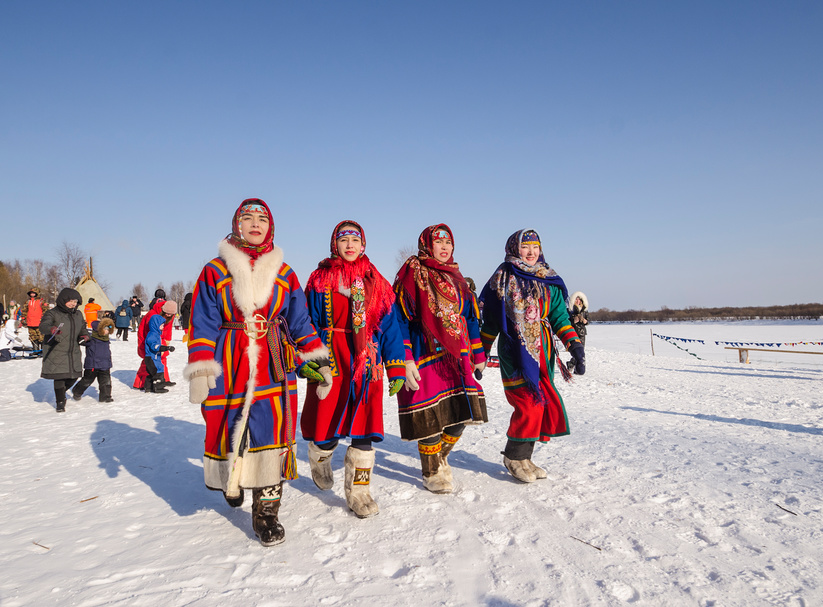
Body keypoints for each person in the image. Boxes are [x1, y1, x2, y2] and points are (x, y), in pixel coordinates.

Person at [184, 198, 330, 547]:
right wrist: (202, 367)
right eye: (247, 217)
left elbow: (300, 320)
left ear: (271, 227)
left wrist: (318, 359)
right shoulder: (215, 270)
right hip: (229, 357)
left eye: (261, 218)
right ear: (236, 224)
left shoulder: (285, 272)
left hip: (273, 360)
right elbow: (203, 320)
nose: (254, 223)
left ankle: (267, 513)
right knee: (227, 426)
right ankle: (230, 481)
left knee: (272, 432)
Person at [300, 220, 407, 518]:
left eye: (355, 240)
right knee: (326, 427)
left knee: (364, 433)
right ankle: (319, 455)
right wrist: (309, 360)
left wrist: (396, 367)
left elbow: (390, 328)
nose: (350, 245)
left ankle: (359, 492)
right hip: (331, 359)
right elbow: (306, 322)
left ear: (363, 245)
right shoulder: (320, 278)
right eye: (344, 239)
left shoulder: (377, 282)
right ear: (335, 243)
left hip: (366, 362)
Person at [479, 229, 585, 482]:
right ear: (515, 249)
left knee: (541, 403)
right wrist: (480, 354)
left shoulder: (548, 278)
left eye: (535, 247)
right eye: (525, 247)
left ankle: (525, 457)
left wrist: (576, 348)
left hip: (544, 352)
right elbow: (491, 322)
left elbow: (560, 318)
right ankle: (514, 457)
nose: (531, 252)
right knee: (528, 404)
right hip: (515, 352)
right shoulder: (502, 279)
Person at [392, 224, 487, 493]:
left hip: (458, 356)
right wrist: (405, 358)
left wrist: (478, 354)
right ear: (427, 245)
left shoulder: (458, 279)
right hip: (425, 353)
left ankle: (441, 455)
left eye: (448, 243)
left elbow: (469, 317)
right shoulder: (412, 275)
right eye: (438, 242)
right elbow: (401, 319)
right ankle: (431, 470)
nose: (444, 248)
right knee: (430, 414)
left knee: (461, 414)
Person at [39, 288, 89, 412]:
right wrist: (51, 329)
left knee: (74, 376)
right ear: (63, 300)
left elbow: (83, 327)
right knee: (59, 377)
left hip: (73, 350)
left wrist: (85, 335)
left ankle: (61, 393)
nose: (73, 304)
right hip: (57, 349)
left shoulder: (78, 314)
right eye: (70, 301)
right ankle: (60, 402)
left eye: (75, 301)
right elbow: (43, 326)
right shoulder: (53, 313)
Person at [132, 300, 176, 389]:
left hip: (160, 337)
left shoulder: (171, 315)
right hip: (148, 338)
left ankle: (164, 379)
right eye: (167, 313)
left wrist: (167, 339)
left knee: (162, 359)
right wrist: (150, 344)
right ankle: (139, 383)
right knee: (148, 361)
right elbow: (148, 330)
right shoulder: (152, 315)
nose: (168, 315)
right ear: (163, 310)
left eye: (170, 314)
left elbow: (168, 328)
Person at [72, 318, 115, 402]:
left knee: (106, 382)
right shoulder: (91, 339)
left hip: (105, 364)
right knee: (87, 380)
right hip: (93, 364)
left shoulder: (106, 339)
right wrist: (82, 338)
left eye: (109, 328)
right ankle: (77, 391)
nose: (107, 331)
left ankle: (105, 397)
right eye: (105, 328)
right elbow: (80, 341)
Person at [144, 314, 175, 393]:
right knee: (159, 369)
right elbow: (154, 346)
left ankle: (148, 387)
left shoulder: (156, 334)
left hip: (153, 357)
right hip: (152, 357)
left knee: (152, 373)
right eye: (161, 325)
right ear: (156, 325)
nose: (163, 326)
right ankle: (158, 387)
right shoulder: (152, 334)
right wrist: (165, 348)